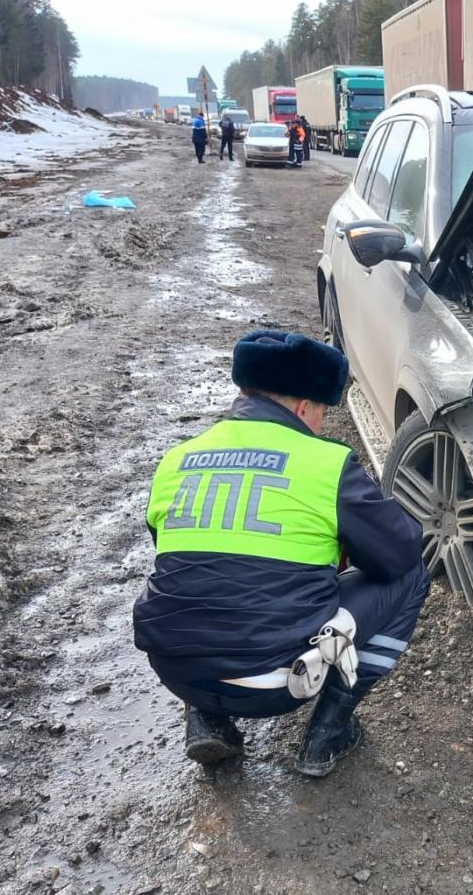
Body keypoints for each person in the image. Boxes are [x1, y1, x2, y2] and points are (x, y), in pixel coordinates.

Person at [134, 331, 429, 776]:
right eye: (323, 412)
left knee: (200, 586)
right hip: (277, 684)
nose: (322, 424)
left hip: (173, 670)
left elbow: (186, 559)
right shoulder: (325, 463)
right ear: (303, 406)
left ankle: (205, 716)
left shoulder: (178, 457)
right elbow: (399, 554)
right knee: (412, 577)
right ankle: (327, 734)